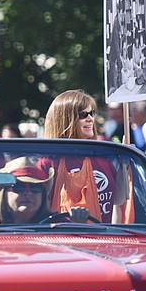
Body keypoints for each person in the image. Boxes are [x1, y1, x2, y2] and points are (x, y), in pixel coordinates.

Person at [44, 89, 127, 222]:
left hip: (100, 239)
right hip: (63, 239)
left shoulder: (100, 156)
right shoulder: (48, 163)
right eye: (83, 114)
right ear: (65, 119)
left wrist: (124, 163)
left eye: (92, 113)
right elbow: (40, 211)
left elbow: (118, 199)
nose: (90, 119)